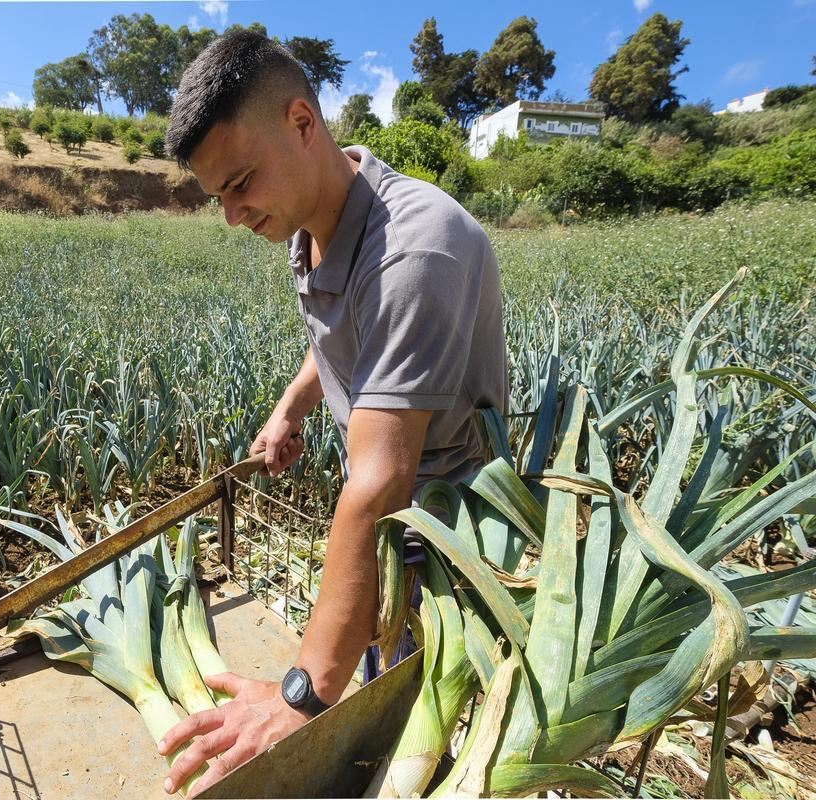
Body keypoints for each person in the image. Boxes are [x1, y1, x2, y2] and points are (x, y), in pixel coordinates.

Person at [157, 30, 508, 797]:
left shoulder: (415, 248)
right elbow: (342, 337)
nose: (232, 215)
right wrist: (291, 407)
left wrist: (301, 696)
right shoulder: (312, 226)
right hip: (386, 511)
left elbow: (380, 482)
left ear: (303, 124)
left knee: (416, 717)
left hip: (444, 528)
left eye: (240, 182)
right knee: (381, 688)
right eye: (219, 195)